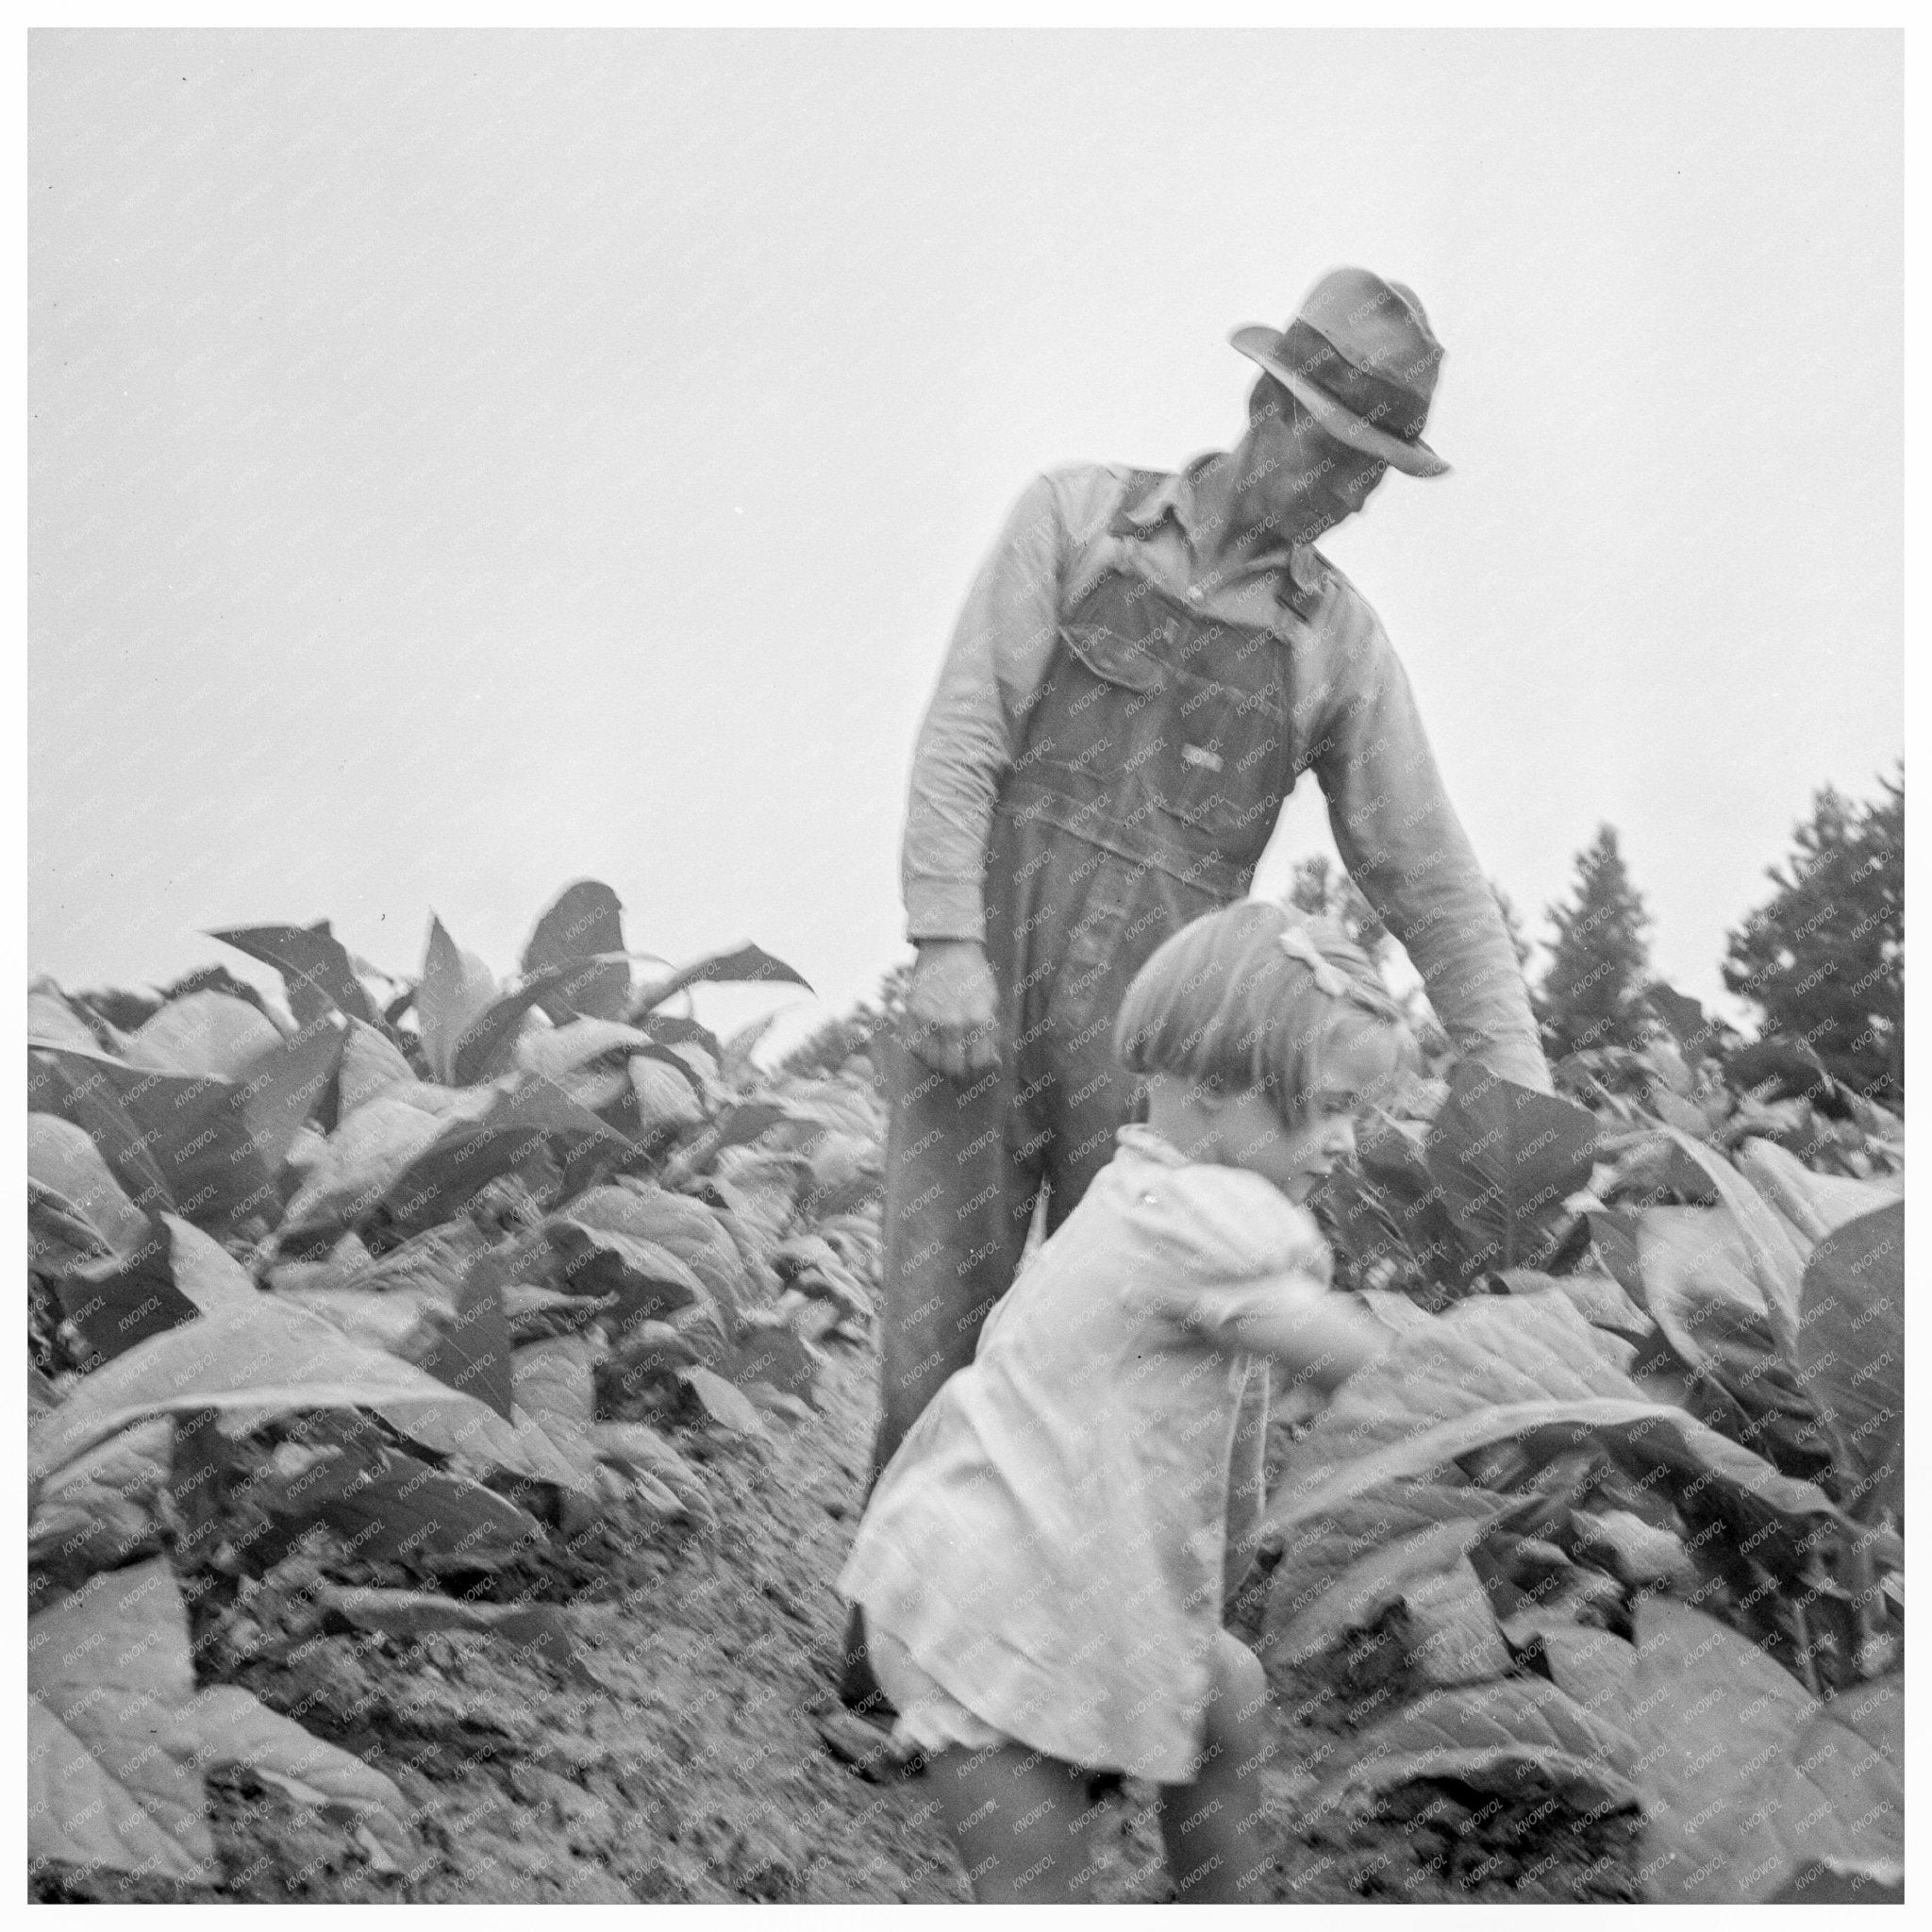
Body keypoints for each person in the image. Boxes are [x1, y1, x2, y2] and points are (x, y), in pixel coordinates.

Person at [843, 264, 1549, 1709]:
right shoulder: (1076, 518)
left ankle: (1073, 1692)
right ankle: (887, 1671)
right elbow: (965, 729)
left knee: (1129, 1375)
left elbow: (1427, 875)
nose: (1358, 499)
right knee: (935, 1350)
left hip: (1166, 1057)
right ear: (1269, 414)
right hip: (988, 1002)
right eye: (1346, 463)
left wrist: (1520, 1084)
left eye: (1380, 477)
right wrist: (944, 946)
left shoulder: (1337, 643)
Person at [837, 907, 1409, 1903]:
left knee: (1225, 1694)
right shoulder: (1198, 1219)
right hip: (999, 1607)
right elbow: (1355, 1360)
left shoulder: (1146, 1187)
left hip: (1048, 1566)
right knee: (1036, 1884)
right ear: (1210, 1089)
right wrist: (1486, 1386)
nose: (1343, 1143)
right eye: (1324, 1108)